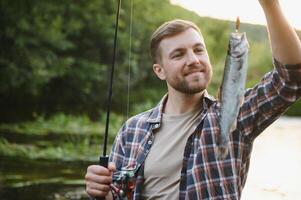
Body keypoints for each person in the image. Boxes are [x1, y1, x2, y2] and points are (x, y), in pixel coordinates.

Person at [85, 0, 301, 199]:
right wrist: (103, 193)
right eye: (178, 54)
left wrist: (270, 5)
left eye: (199, 50)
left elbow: (291, 79)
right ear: (159, 71)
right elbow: (119, 195)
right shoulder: (131, 130)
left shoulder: (237, 115)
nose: (194, 60)